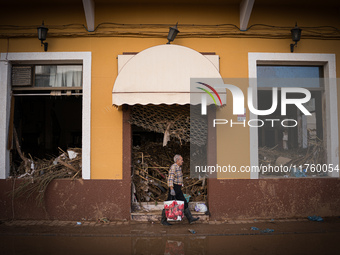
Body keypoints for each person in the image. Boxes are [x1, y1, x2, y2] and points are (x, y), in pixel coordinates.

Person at [161, 154, 199, 226]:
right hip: (174, 188)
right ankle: (163, 220)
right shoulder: (173, 167)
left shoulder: (178, 167)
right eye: (181, 160)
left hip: (178, 188)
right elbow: (170, 178)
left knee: (184, 202)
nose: (182, 161)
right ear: (177, 160)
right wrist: (171, 188)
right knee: (169, 204)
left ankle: (190, 219)